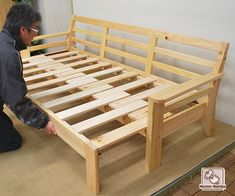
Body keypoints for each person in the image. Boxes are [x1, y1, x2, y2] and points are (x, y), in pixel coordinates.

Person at [0, 3, 57, 153]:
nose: (36, 35)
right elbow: (16, 100)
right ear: (23, 30)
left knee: (7, 124)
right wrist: (43, 122)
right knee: (13, 141)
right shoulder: (7, 55)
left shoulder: (4, 41)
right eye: (35, 29)